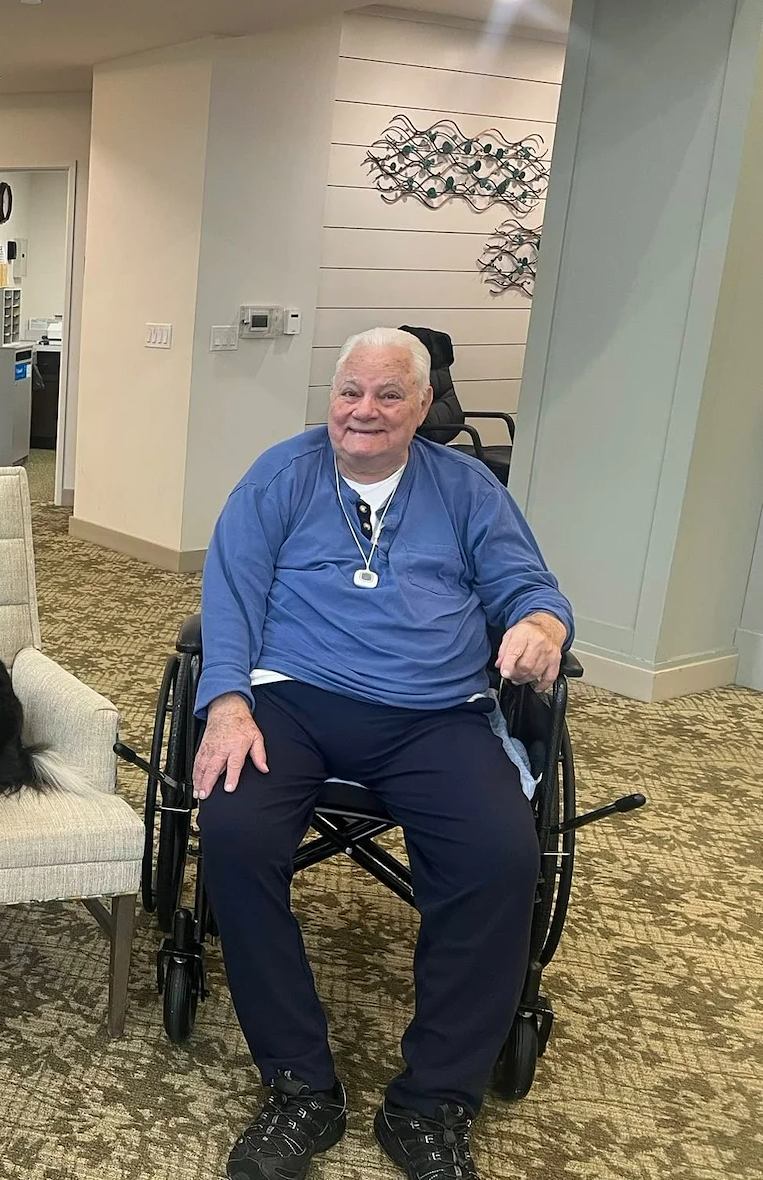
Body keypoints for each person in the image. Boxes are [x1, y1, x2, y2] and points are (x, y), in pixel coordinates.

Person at [192, 327, 572, 1180]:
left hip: (434, 711)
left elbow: (530, 587)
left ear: (424, 404)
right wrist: (228, 703)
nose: (363, 410)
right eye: (349, 392)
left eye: (389, 395)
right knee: (235, 832)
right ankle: (299, 1085)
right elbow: (230, 596)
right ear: (331, 397)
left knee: (500, 855)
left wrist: (542, 626)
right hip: (291, 699)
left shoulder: (468, 488)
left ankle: (432, 1105)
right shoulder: (279, 477)